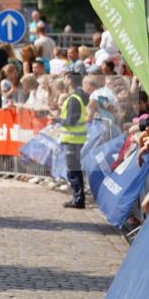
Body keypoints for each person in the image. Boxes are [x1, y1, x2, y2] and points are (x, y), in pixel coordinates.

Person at [58, 70, 89, 209]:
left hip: (73, 140)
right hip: (74, 140)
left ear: (69, 80)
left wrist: (57, 119)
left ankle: (78, 199)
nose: (63, 81)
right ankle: (78, 198)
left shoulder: (74, 99)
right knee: (74, 170)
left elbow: (71, 120)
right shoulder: (75, 97)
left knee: (73, 171)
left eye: (65, 78)